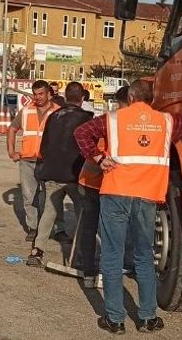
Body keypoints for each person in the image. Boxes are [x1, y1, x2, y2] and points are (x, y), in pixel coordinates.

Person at [74, 80, 182, 334]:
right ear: (151, 99)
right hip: (147, 197)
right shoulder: (166, 122)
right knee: (144, 255)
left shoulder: (112, 120)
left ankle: (115, 319)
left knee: (112, 255)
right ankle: (147, 318)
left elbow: (81, 133)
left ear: (130, 97)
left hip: (115, 194)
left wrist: (99, 158)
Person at [27, 81, 94, 266]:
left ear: (65, 97)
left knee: (49, 212)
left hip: (53, 172)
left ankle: (37, 251)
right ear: (82, 98)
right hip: (75, 174)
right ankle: (80, 255)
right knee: (83, 214)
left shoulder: (54, 116)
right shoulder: (87, 118)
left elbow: (44, 146)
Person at [74, 85, 130, 286]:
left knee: (92, 227)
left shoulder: (111, 120)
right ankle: (101, 271)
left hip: (93, 180)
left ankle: (89, 270)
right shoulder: (116, 121)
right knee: (108, 230)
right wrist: (101, 159)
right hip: (101, 182)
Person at [6, 80, 61, 241]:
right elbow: (12, 129)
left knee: (50, 196)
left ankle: (53, 228)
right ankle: (33, 227)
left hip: (48, 161)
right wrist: (11, 151)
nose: (38, 97)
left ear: (49, 93)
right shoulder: (27, 110)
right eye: (35, 94)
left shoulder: (58, 112)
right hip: (28, 159)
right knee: (29, 196)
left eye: (41, 94)